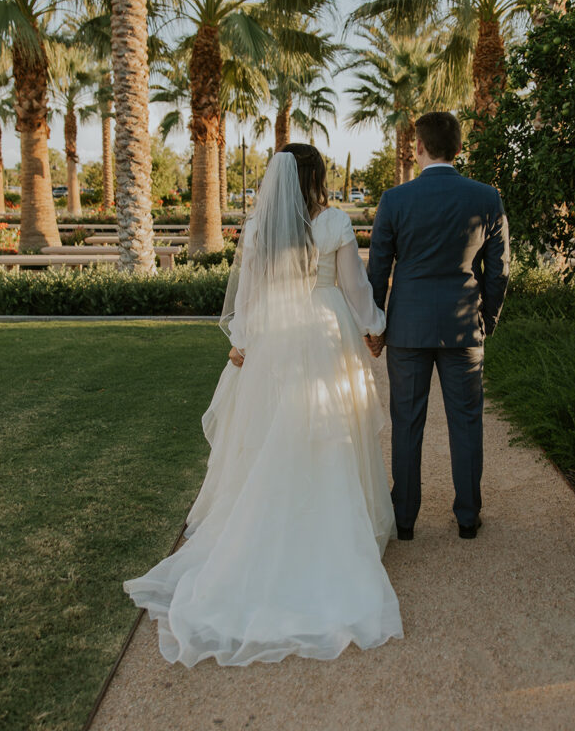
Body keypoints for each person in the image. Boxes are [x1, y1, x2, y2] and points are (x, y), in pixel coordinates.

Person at [124, 144, 402, 667]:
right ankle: (332, 521)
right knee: (327, 424)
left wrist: (244, 342)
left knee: (274, 426)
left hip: (275, 336)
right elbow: (353, 288)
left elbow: (248, 298)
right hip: (322, 331)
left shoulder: (256, 230)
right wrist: (374, 328)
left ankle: (271, 518)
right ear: (317, 177)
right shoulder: (335, 222)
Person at [367, 111, 510, 541]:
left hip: (407, 328)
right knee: (466, 422)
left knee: (406, 422)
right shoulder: (486, 197)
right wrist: (487, 319)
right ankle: (468, 518)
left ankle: (405, 521)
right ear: (459, 149)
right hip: (464, 327)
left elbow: (377, 269)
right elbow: (499, 270)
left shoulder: (395, 200)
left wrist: (376, 325)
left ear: (419, 148)